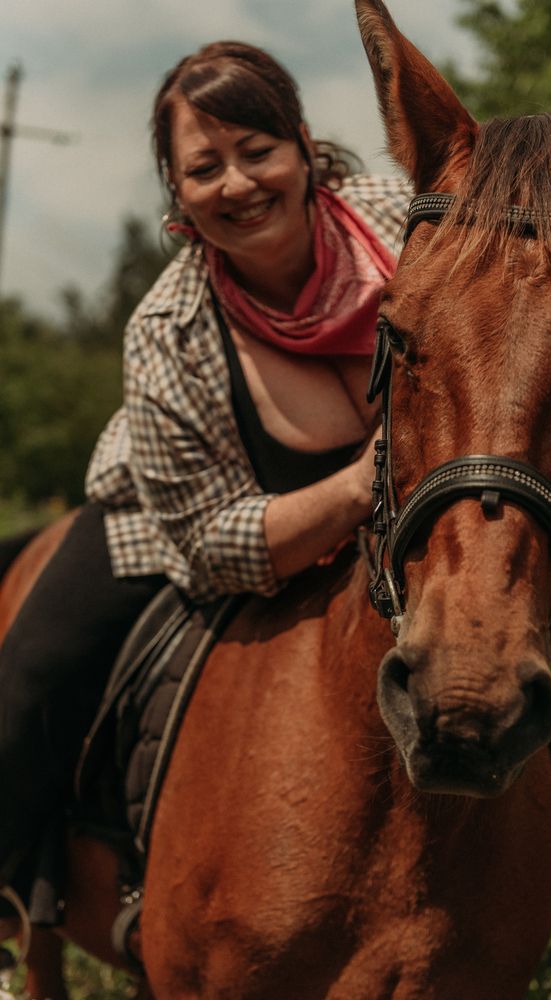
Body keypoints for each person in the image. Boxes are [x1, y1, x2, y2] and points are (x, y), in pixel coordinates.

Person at [0, 41, 412, 899]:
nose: (236, 183)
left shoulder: (404, 220)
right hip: (170, 518)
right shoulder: (165, 331)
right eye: (203, 167)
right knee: (31, 679)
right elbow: (210, 543)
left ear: (302, 147)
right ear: (176, 191)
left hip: (397, 523)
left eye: (257, 151)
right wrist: (361, 484)